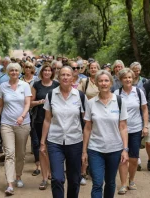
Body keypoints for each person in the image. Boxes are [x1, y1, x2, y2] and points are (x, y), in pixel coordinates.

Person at [40, 66, 86, 198]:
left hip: (75, 141)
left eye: (68, 75)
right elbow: (47, 120)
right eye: (62, 75)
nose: (65, 77)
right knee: (57, 178)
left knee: (74, 179)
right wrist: (43, 142)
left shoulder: (80, 96)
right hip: (55, 141)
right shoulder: (51, 94)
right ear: (58, 77)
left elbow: (86, 121)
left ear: (73, 78)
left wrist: (86, 146)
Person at [82, 70, 129, 198]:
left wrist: (125, 149)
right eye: (101, 81)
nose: (103, 83)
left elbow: (123, 127)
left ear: (111, 83)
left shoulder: (119, 101)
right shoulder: (91, 103)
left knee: (110, 182)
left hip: (115, 149)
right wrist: (84, 151)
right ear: (96, 83)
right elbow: (87, 128)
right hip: (95, 149)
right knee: (97, 183)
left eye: (106, 80)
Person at [0, 63, 32, 196]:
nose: (14, 72)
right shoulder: (3, 86)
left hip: (23, 124)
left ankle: (18, 176)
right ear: (8, 72)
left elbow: (27, 104)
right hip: (6, 124)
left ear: (19, 72)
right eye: (11, 70)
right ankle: (10, 184)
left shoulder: (25, 86)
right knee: (9, 153)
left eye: (16, 70)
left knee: (20, 153)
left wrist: (22, 116)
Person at [113, 68, 148, 194]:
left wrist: (145, 126)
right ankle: (123, 184)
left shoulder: (138, 92)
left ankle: (131, 180)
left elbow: (144, 109)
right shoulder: (117, 93)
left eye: (129, 77)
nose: (128, 80)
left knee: (134, 158)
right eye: (125, 78)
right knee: (123, 157)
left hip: (136, 129)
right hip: (121, 130)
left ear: (133, 79)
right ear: (121, 80)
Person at [31, 62, 60, 190]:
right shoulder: (36, 85)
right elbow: (30, 102)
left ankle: (52, 173)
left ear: (52, 72)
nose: (47, 72)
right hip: (40, 119)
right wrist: (40, 102)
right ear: (41, 72)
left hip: (55, 121)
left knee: (53, 148)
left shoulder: (57, 85)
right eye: (45, 70)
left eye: (49, 70)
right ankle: (44, 177)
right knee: (42, 148)